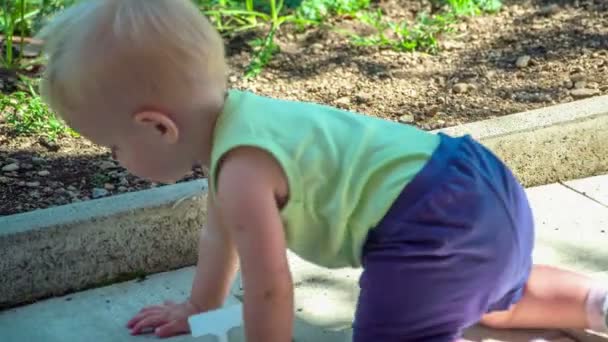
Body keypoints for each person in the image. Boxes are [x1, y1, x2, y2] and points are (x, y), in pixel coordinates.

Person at [37, 1, 608, 341]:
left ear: (159, 127)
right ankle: (593, 303)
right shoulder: (240, 130)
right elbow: (218, 236)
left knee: (400, 325)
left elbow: (267, 287)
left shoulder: (240, 169)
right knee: (488, 291)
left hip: (432, 225)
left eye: (112, 146)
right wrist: (200, 308)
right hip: (475, 181)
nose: (116, 158)